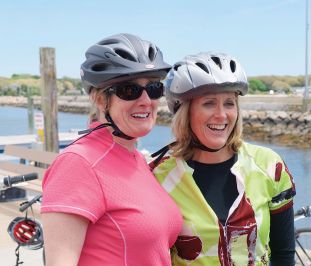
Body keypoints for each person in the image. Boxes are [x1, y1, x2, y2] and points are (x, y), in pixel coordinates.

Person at [41, 33, 183, 265]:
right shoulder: (79, 163)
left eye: (155, 88)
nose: (146, 100)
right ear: (100, 100)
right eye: (129, 90)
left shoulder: (135, 157)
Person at [152, 52, 296, 265]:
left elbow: (283, 254)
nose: (221, 115)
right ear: (185, 111)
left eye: (229, 103)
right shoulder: (159, 177)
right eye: (209, 103)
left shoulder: (268, 165)